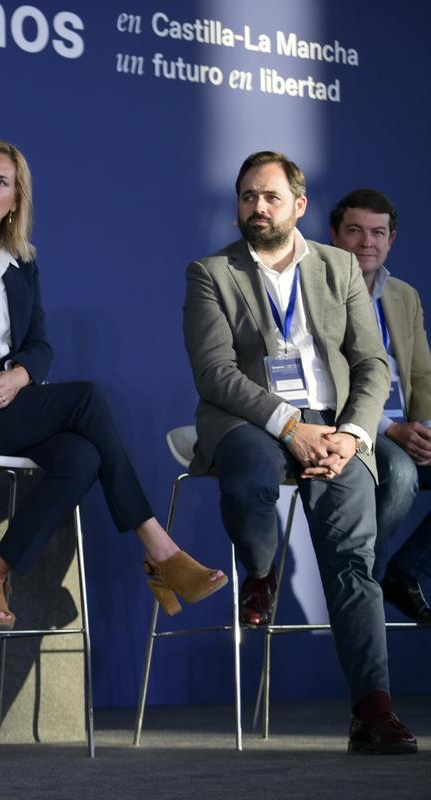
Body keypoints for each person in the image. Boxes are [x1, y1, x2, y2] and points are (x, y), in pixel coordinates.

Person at [0, 140, 227, 634]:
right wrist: (5, 384)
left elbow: (39, 343)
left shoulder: (21, 264)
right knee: (87, 397)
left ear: (15, 200)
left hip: (6, 403)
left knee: (81, 457)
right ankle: (161, 549)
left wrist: (21, 377)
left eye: (1, 182)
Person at [182, 151, 417, 753]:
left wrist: (352, 435)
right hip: (249, 419)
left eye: (270, 197)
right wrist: (289, 425)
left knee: (351, 562)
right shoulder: (211, 272)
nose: (257, 207)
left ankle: (373, 710)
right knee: (251, 482)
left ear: (299, 206)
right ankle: (261, 572)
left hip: (335, 429)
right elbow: (215, 373)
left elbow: (371, 362)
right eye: (247, 196)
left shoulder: (339, 266)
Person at [329, 189, 431, 622]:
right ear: (335, 236)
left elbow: (422, 375)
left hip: (402, 427)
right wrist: (392, 429)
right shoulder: (319, 291)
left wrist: (423, 428)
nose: (366, 242)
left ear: (390, 240)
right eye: (354, 231)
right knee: (402, 473)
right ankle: (358, 577)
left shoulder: (403, 296)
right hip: (352, 422)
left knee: (415, 458)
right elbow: (328, 380)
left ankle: (400, 572)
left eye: (377, 233)